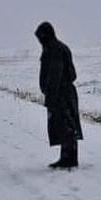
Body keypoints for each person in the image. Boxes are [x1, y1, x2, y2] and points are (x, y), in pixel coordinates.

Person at [35, 21, 82, 168]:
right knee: (64, 125)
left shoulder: (54, 49)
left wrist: (51, 96)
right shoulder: (54, 48)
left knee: (66, 125)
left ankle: (69, 159)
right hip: (62, 92)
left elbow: (55, 74)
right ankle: (66, 157)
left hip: (61, 94)